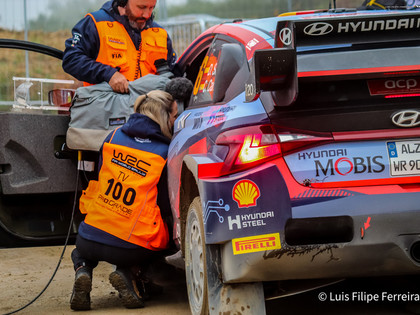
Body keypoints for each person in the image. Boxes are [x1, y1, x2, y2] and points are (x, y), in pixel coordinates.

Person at [70, 90, 177, 311]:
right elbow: (166, 205)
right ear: (165, 117)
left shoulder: (111, 137)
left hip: (89, 238)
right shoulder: (165, 152)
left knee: (79, 250)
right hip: (131, 248)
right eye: (174, 115)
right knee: (164, 236)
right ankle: (130, 272)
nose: (176, 120)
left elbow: (99, 179)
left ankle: (82, 270)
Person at [62, 0, 177, 94]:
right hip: (108, 114)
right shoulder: (96, 23)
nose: (147, 14)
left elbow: (174, 73)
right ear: (123, 1)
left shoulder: (160, 34)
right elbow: (71, 59)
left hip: (151, 116)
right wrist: (108, 74)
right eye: (141, 7)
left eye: (152, 8)